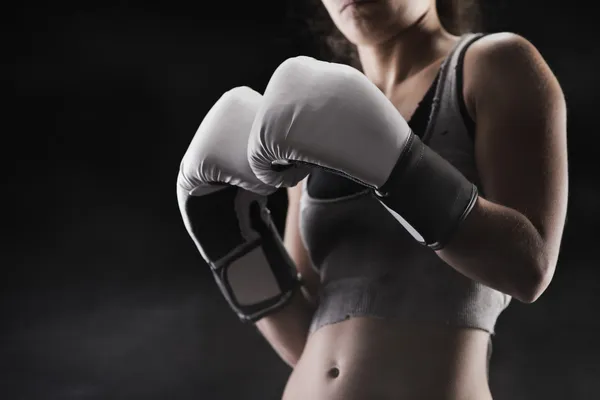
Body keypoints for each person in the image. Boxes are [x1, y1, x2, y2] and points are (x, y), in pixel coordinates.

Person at [177, 0, 568, 398]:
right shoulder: (308, 115)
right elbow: (309, 334)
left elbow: (529, 267)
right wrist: (234, 243)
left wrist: (398, 167)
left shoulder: (494, 64)